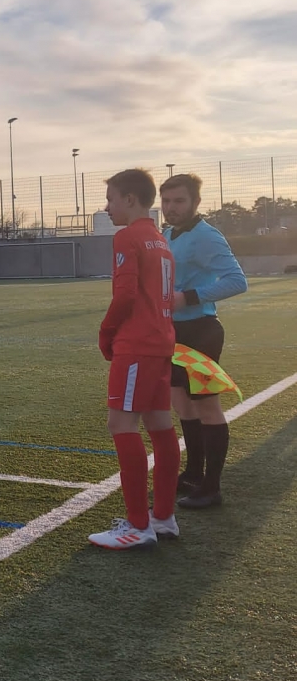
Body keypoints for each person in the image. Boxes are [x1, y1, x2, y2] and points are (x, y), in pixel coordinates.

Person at [89, 168, 181, 550]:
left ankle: (138, 525)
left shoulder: (127, 236)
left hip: (137, 344)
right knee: (160, 425)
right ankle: (163, 517)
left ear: (130, 199)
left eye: (110, 199)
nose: (106, 207)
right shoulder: (160, 240)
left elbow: (125, 295)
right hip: (161, 343)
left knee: (121, 424)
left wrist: (106, 331)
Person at [160, 173, 248, 508]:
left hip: (201, 331)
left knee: (206, 406)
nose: (171, 207)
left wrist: (189, 297)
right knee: (182, 404)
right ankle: (193, 473)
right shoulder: (166, 234)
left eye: (179, 201)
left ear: (196, 202)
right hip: (172, 333)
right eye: (166, 201)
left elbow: (237, 281)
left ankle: (212, 487)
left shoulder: (207, 236)